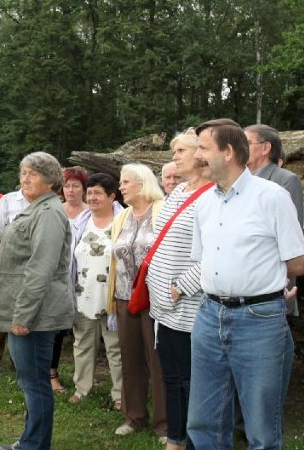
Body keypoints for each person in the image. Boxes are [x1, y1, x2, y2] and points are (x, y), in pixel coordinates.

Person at [187, 118, 304, 449]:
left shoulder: (273, 197)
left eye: (203, 148)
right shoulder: (203, 202)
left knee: (262, 430)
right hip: (209, 316)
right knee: (203, 422)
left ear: (228, 152)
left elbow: (299, 261)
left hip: (260, 321)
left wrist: (270, 281)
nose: (198, 156)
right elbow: (203, 260)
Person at [0, 152, 74, 450]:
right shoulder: (37, 208)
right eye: (23, 172)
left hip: (36, 315)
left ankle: (34, 446)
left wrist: (23, 316)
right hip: (27, 310)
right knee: (31, 382)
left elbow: (41, 267)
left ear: (51, 180)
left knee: (35, 384)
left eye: (33, 173)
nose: (25, 178)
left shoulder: (48, 212)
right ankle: (30, 441)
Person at [146, 132, 211, 450]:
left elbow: (217, 252)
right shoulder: (178, 192)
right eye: (173, 151)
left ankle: (194, 441)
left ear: (202, 153)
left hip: (190, 306)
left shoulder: (213, 194)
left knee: (191, 381)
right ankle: (175, 438)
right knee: (171, 377)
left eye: (180, 150)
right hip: (163, 307)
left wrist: (179, 288)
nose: (174, 156)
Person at [109, 163, 167, 440]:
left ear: (143, 183)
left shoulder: (162, 210)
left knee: (158, 360)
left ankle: (164, 422)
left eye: (126, 182)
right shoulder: (122, 217)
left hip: (155, 299)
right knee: (129, 358)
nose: (121, 187)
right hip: (124, 297)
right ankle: (133, 416)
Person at [68, 173, 124, 408]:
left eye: (97, 193)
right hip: (83, 294)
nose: (91, 197)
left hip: (113, 296)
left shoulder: (124, 221)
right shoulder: (80, 221)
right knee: (82, 344)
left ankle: (120, 394)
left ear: (112, 196)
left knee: (116, 348)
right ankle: (82, 388)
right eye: (89, 192)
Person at [245, 123, 304, 319]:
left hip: (273, 289)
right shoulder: (242, 180)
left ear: (265, 148)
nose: (240, 148)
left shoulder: (285, 180)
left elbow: (293, 239)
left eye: (246, 142)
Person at [0, 186, 33, 379]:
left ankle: (21, 360)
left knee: (28, 312)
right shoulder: (8, 200)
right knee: (0, 310)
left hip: (34, 268)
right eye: (24, 174)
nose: (28, 179)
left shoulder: (47, 202)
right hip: (8, 268)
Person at [48, 166, 89, 393]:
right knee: (55, 330)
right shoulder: (56, 211)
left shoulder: (91, 212)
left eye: (75, 186)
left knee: (83, 331)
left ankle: (83, 378)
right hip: (58, 279)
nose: (70, 190)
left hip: (84, 281)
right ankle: (52, 374)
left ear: (83, 188)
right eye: (67, 186)